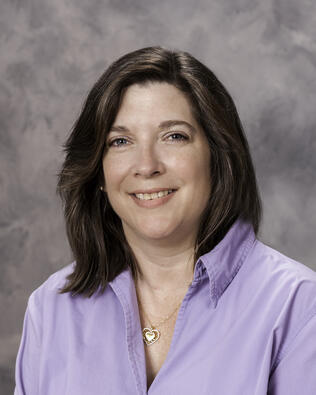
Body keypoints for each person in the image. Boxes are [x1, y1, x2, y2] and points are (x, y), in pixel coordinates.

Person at [14, 46, 316, 395]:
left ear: (218, 158)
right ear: (98, 170)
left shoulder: (297, 306)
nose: (147, 165)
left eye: (174, 136)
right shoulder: (51, 307)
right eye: (121, 141)